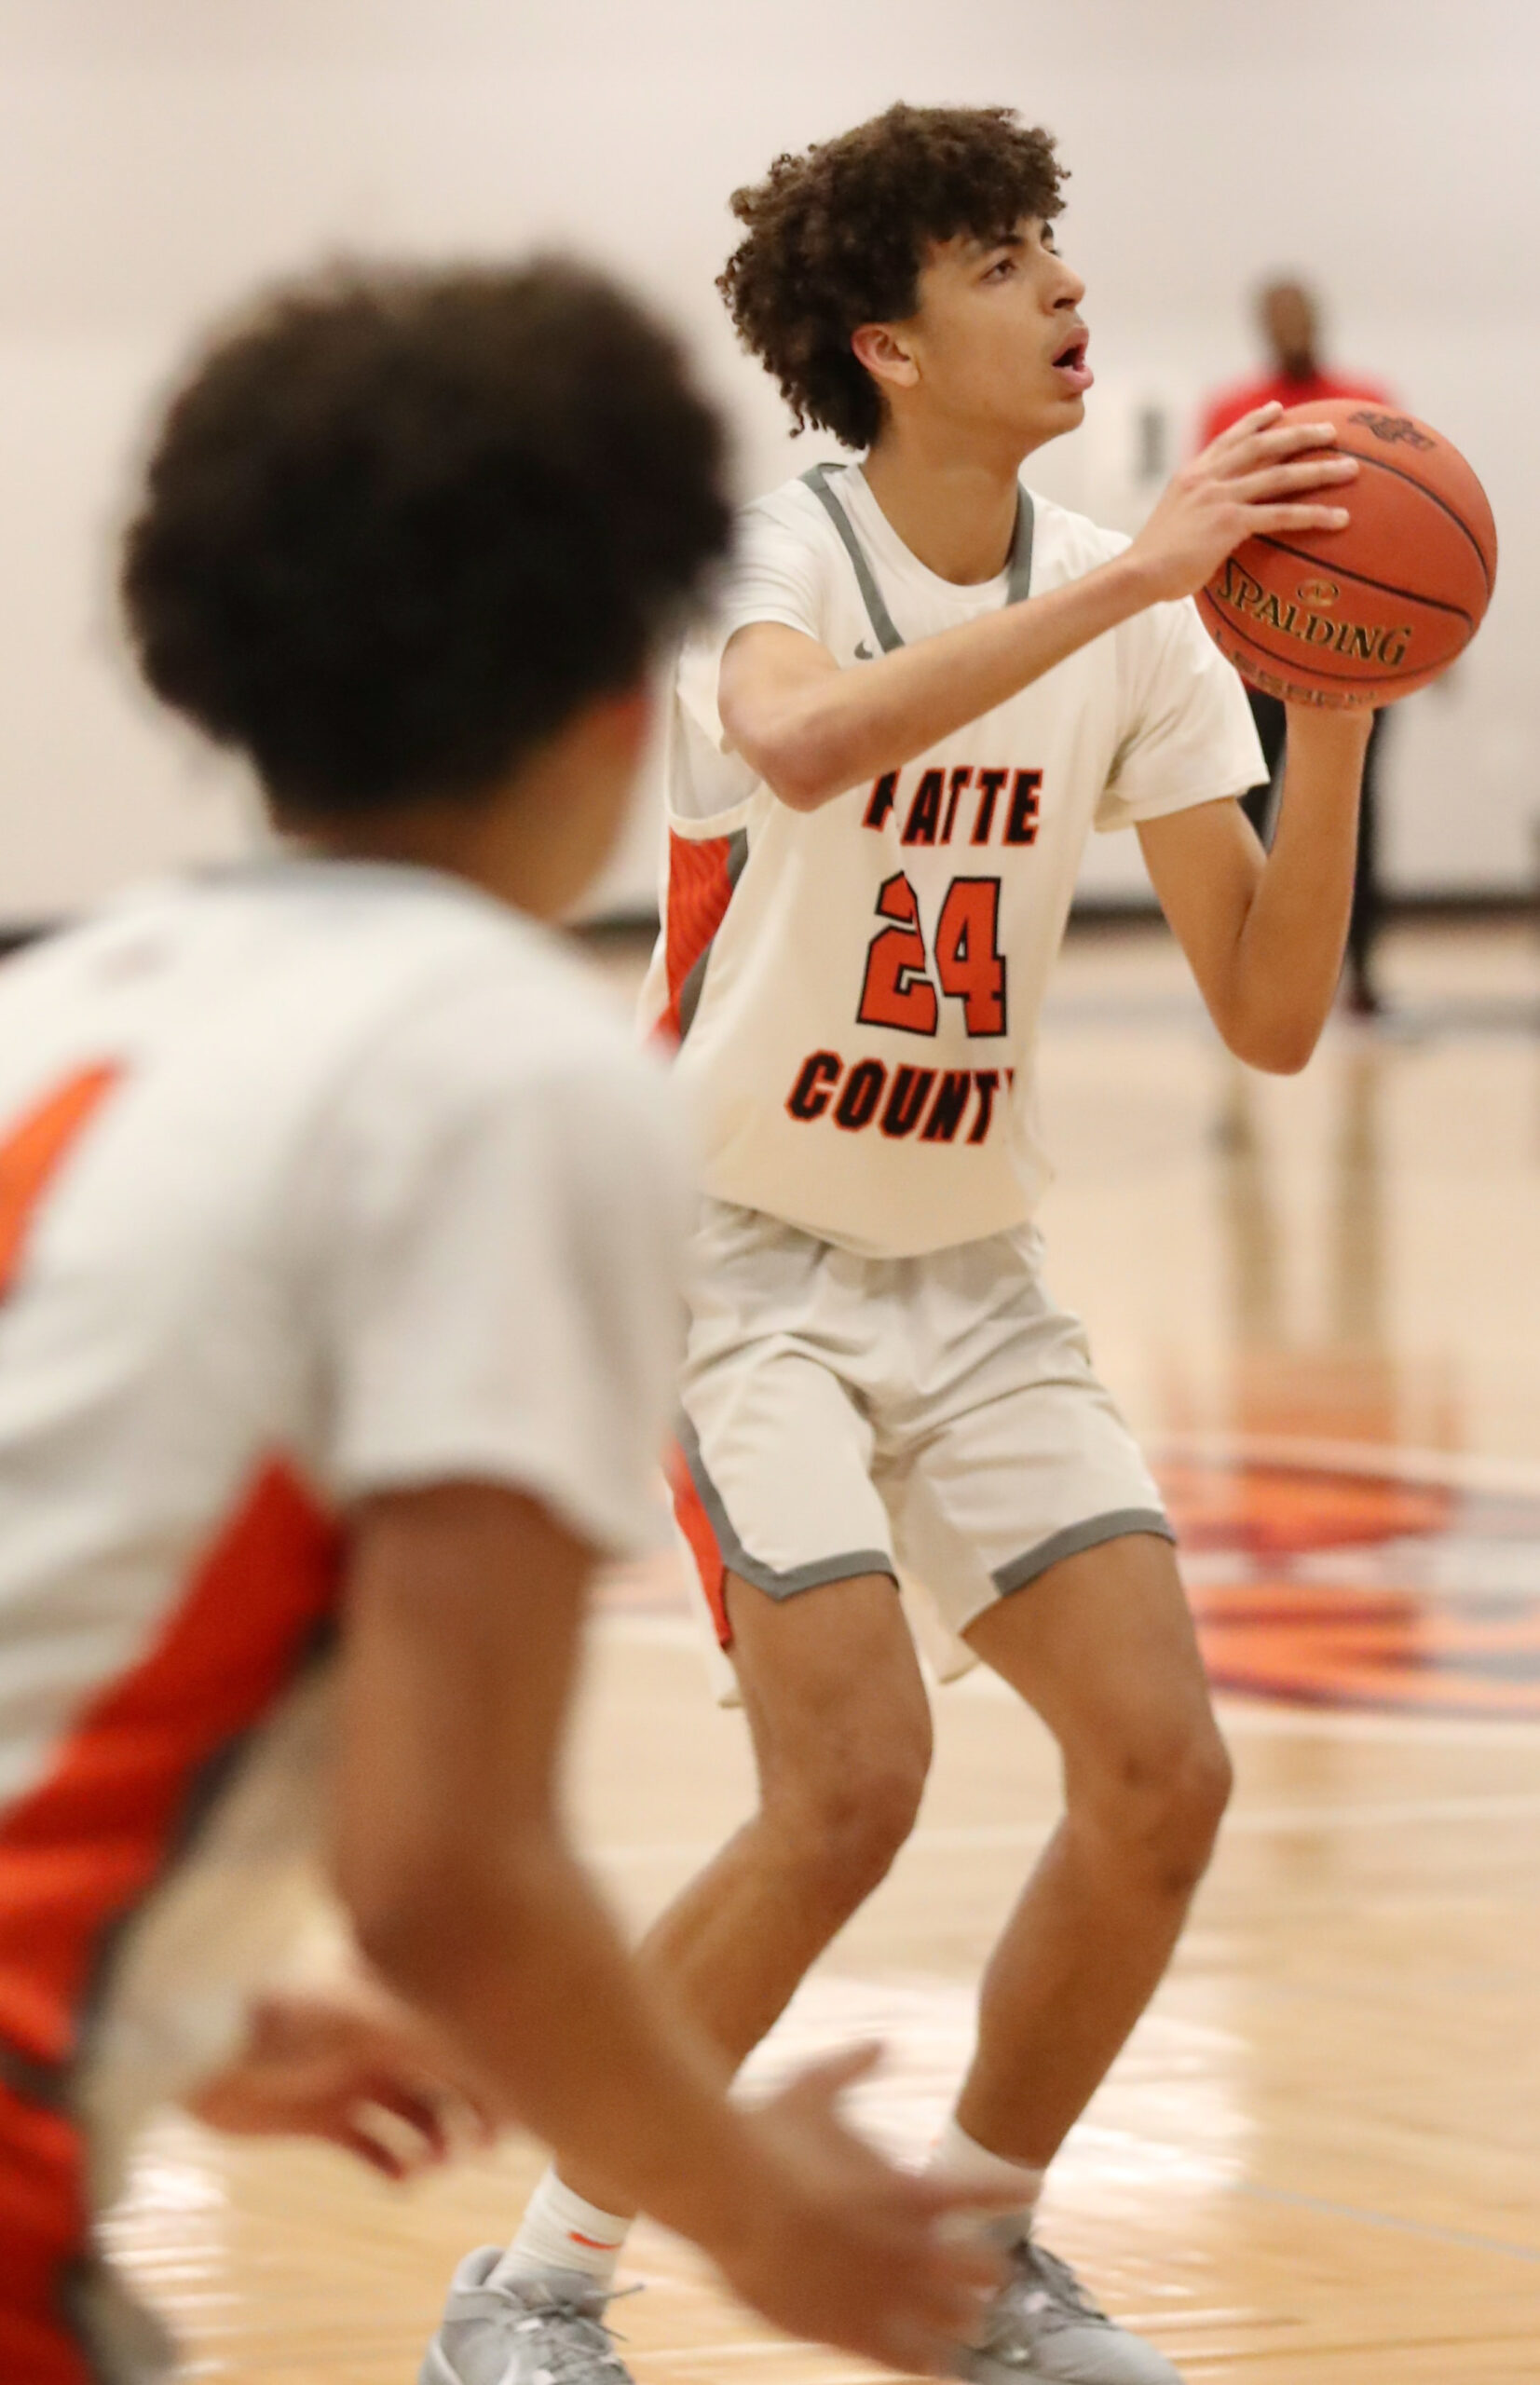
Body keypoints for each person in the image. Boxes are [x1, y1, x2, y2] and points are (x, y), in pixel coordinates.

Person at [433, 104, 1376, 2385]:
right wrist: (1137, 588)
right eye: (1001, 259)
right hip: (732, 1258)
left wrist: (1334, 700)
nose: (1065, 286)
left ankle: (973, 2248)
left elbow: (1268, 1013)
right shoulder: (776, 554)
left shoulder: (1133, 612)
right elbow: (800, 739)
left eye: (1057, 244)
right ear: (887, 341)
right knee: (845, 1784)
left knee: (1161, 1772)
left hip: (968, 1265)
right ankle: (530, 2284)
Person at [0, 258, 1007, 2385]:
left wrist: (172, 2011)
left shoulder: (55, 1012)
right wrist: (760, 2208)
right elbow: (440, 1872)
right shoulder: (500, 1073)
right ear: (626, 688)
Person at [1198, 277, 1395, 1012]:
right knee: (1245, 815)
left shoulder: (1367, 405)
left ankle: (1361, 976)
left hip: (1354, 654)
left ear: (1318, 317)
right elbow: (1209, 536)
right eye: (1276, 317)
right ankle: (1237, 973)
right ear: (1261, 327)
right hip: (1256, 660)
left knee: (1354, 818)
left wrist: (1426, 643)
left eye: (1298, 313)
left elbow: (1406, 539)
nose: (1290, 326)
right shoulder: (1232, 413)